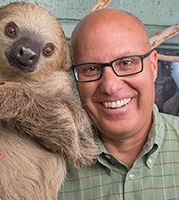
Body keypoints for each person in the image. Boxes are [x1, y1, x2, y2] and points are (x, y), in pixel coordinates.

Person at [58, 8, 179, 200]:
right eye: (91, 68)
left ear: (153, 66)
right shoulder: (48, 164)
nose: (110, 86)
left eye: (126, 63)